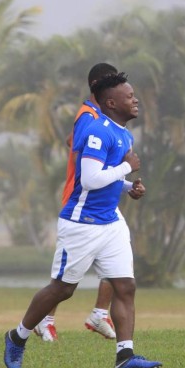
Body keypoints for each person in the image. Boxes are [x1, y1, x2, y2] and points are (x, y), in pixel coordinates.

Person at [4, 73, 162, 368]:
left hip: (111, 222)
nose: (135, 99)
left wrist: (130, 187)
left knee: (125, 286)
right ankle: (17, 336)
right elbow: (89, 180)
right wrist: (128, 166)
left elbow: (106, 176)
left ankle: (125, 357)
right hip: (82, 223)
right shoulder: (96, 131)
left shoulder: (123, 133)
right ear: (112, 103)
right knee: (63, 289)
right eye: (129, 96)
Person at [33, 63, 118, 342]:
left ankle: (99, 313)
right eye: (111, 82)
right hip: (81, 201)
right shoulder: (87, 115)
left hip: (102, 200)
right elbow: (78, 145)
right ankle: (43, 321)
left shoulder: (98, 116)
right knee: (66, 277)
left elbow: (73, 141)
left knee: (118, 259)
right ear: (97, 85)